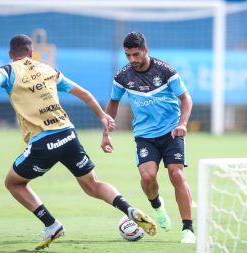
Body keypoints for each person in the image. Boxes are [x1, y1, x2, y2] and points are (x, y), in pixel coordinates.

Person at [0, 34, 156, 250]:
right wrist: (102, 117)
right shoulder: (48, 69)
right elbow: (86, 94)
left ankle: (51, 224)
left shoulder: (8, 71)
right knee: (93, 184)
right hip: (69, 135)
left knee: (14, 183)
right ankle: (128, 209)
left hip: (44, 143)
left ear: (11, 54)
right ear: (31, 52)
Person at [101, 31, 195, 244]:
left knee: (177, 175)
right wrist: (106, 133)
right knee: (147, 177)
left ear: (145, 50)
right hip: (144, 135)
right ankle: (157, 206)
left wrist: (182, 124)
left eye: (136, 54)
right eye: (128, 55)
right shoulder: (123, 76)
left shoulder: (165, 70)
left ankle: (188, 229)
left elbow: (186, 98)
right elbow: (113, 102)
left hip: (172, 131)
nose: (132, 59)